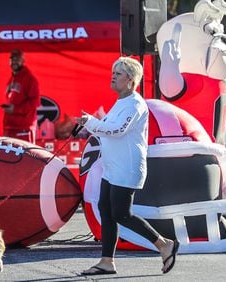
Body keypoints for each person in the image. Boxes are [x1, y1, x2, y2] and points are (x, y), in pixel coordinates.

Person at [76, 57, 179, 275]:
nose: (113, 76)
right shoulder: (121, 101)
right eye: (113, 72)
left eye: (119, 73)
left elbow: (117, 130)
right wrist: (90, 122)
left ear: (131, 80)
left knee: (122, 213)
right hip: (113, 167)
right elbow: (108, 127)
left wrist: (92, 123)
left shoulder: (134, 104)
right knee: (106, 210)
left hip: (127, 168)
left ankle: (163, 244)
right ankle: (106, 261)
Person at [1, 49, 40, 143]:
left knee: (25, 157)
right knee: (8, 157)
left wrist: (15, 109)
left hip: (23, 130)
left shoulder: (29, 79)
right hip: (11, 128)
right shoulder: (12, 79)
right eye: (12, 59)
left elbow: (35, 102)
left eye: (17, 59)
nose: (14, 62)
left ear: (23, 61)